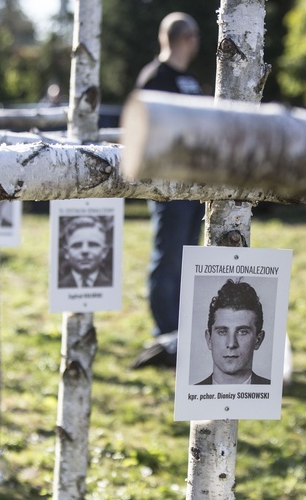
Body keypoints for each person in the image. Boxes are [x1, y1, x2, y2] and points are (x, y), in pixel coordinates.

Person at [131, 12, 205, 369]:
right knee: (168, 259)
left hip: (194, 188)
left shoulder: (188, 80)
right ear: (185, 38)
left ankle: (184, 334)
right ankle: (167, 334)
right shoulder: (154, 79)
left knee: (188, 260)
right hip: (168, 187)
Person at [196, 279, 270, 385]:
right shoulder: (192, 395)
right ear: (209, 339)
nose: (231, 344)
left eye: (242, 332)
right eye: (222, 332)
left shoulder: (273, 393)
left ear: (258, 340)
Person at [58, 216, 112, 288]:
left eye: (93, 245)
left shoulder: (111, 286)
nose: (85, 251)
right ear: (66, 252)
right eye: (77, 245)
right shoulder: (59, 286)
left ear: (104, 251)